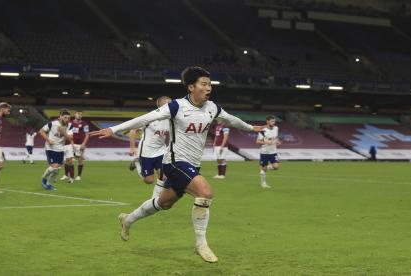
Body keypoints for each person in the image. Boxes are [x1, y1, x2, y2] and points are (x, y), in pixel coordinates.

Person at [91, 66, 264, 263]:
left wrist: (251, 127)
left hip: (192, 165)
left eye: (210, 84)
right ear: (191, 87)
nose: (208, 88)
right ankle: (201, 244)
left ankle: (127, 219)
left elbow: (231, 119)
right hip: (174, 162)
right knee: (205, 193)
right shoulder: (176, 106)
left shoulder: (212, 108)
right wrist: (113, 129)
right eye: (204, 84)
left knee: (163, 203)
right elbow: (146, 118)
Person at [128, 96, 171, 198]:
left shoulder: (171, 119)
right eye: (168, 103)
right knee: (149, 180)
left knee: (164, 177)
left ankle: (156, 199)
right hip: (146, 152)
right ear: (161, 105)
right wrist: (132, 147)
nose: (171, 105)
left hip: (161, 151)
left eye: (171, 103)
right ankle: (137, 162)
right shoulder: (150, 117)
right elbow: (133, 130)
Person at [39, 109, 73, 190]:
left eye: (68, 118)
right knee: (54, 167)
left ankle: (47, 182)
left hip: (60, 148)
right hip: (50, 147)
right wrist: (48, 139)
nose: (67, 120)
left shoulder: (70, 126)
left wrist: (63, 131)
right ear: (60, 117)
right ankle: (45, 180)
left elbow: (70, 138)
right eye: (65, 117)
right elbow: (41, 131)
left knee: (57, 169)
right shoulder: (52, 123)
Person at [61, 111, 89, 183]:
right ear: (75, 115)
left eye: (80, 114)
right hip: (71, 143)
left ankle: (79, 176)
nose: (79, 115)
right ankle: (66, 175)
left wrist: (84, 143)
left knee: (80, 159)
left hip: (80, 144)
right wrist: (71, 143)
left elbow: (87, 134)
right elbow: (68, 133)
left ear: (82, 116)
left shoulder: (84, 124)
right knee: (68, 159)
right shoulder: (70, 123)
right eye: (77, 114)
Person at [256, 115, 281, 188]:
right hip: (264, 152)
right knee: (264, 169)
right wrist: (266, 142)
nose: (273, 122)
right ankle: (263, 183)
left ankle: (267, 168)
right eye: (272, 121)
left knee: (276, 167)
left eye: (274, 121)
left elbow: (276, 138)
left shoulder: (276, 128)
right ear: (267, 121)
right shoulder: (263, 130)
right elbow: (257, 141)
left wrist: (278, 142)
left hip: (273, 152)